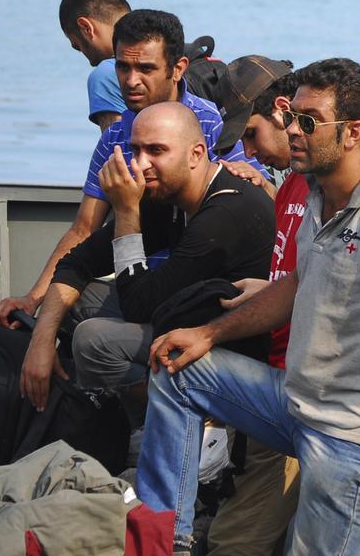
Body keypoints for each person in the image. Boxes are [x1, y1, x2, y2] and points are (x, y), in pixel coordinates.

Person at [136, 57, 360, 556]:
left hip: (349, 436)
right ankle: (162, 543)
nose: (290, 129)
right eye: (289, 115)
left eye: (307, 120)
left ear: (354, 133)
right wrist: (209, 335)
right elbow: (298, 284)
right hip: (294, 403)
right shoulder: (319, 195)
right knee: (177, 367)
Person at [0, 9, 262, 330]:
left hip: (200, 280)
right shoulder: (114, 139)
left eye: (145, 68)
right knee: (69, 302)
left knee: (97, 335)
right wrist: (34, 299)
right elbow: (83, 229)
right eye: (123, 67)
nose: (131, 81)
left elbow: (249, 193)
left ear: (177, 69)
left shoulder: (213, 123)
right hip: (134, 267)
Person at [17, 102, 274, 425]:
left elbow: (139, 306)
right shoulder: (172, 193)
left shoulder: (225, 214)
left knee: (92, 339)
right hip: (182, 317)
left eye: (156, 150)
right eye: (135, 150)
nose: (141, 164)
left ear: (196, 154)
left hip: (231, 353)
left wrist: (126, 212)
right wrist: (40, 343)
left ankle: (150, 427)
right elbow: (77, 261)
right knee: (81, 299)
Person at [204, 57, 305, 556]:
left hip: (295, 383)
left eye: (253, 134)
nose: (248, 149)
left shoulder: (324, 190)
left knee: (232, 541)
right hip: (271, 364)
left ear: (284, 111)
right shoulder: (287, 184)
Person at [58, 0, 131, 132]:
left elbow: (114, 149)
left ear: (86, 27)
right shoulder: (170, 58)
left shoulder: (106, 74)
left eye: (77, 47)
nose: (89, 61)